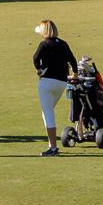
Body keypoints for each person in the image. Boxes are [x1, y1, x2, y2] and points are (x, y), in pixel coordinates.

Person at [32, 19, 77, 156]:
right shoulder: (63, 43)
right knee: (48, 111)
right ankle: (51, 145)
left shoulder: (44, 44)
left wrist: (38, 70)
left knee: (48, 113)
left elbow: (35, 58)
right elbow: (72, 60)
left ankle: (52, 147)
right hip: (61, 83)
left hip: (46, 82)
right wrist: (74, 73)